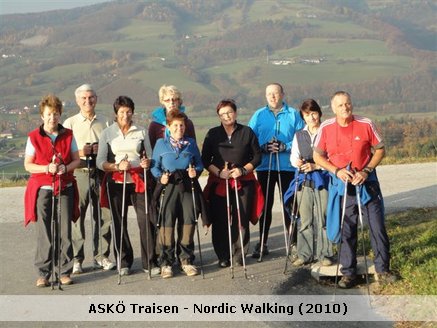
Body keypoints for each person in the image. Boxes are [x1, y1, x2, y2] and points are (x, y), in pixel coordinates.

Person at [313, 91, 397, 288]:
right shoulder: (326, 127)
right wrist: (336, 171)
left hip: (367, 183)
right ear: (333, 108)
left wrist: (367, 171)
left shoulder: (366, 123)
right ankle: (348, 273)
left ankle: (383, 269)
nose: (345, 108)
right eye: (340, 105)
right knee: (346, 230)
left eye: (348, 104)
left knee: (377, 227)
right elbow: (318, 156)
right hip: (342, 184)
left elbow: (380, 150)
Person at [96, 95, 157, 277]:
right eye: (122, 111)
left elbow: (151, 156)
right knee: (118, 221)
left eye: (129, 111)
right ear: (116, 112)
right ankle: (124, 261)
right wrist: (116, 166)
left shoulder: (142, 131)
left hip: (138, 179)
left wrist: (147, 163)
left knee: (145, 221)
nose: (126, 114)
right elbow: (100, 161)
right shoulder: (107, 133)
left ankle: (150, 261)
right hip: (117, 181)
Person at [24, 94, 81, 287]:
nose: (52, 118)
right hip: (43, 189)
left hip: (64, 186)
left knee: (65, 230)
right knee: (44, 231)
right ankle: (43, 273)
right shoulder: (34, 137)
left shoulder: (68, 135)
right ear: (42, 115)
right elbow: (28, 165)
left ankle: (64, 271)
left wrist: (67, 167)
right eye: (49, 114)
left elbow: (76, 160)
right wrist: (45, 168)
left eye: (56, 114)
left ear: (60, 115)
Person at [202, 99, 263, 268]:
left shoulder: (247, 132)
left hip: (243, 181)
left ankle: (239, 254)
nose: (226, 116)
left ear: (235, 113)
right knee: (220, 219)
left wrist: (242, 170)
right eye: (222, 114)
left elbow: (257, 157)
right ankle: (223, 255)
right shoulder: (212, 134)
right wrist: (219, 173)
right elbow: (205, 159)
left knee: (240, 218)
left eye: (229, 112)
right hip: (219, 181)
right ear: (218, 116)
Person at [248, 83, 304, 258]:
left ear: (282, 94)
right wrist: (262, 147)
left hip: (287, 167)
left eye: (276, 93)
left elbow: (302, 138)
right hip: (265, 166)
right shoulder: (258, 115)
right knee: (265, 205)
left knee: (289, 204)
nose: (272, 97)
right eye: (269, 94)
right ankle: (262, 242)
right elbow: (249, 140)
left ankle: (294, 241)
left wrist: (284, 146)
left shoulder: (294, 114)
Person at [63, 84, 115, 274]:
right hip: (79, 173)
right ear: (77, 100)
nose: (88, 101)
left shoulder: (106, 122)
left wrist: (99, 151)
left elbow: (112, 150)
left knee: (104, 215)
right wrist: (81, 152)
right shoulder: (69, 123)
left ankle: (102, 255)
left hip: (100, 173)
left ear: (96, 98)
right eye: (83, 98)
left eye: (91, 97)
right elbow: (64, 152)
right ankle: (77, 259)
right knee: (77, 216)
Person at [151, 111, 207, 279]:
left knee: (188, 221)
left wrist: (195, 172)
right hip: (168, 187)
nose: (179, 128)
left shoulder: (190, 143)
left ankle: (186, 260)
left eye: (182, 125)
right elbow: (154, 166)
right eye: (175, 125)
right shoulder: (161, 144)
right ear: (168, 127)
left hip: (187, 186)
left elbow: (199, 164)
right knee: (167, 223)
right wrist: (160, 176)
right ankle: (166, 262)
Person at [285, 99, 333, 267]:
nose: (311, 117)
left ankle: (325, 254)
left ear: (319, 113)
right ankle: (304, 254)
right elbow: (293, 156)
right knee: (305, 219)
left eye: (314, 113)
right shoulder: (299, 135)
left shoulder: (328, 132)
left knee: (323, 218)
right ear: (303, 117)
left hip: (324, 179)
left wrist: (316, 165)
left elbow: (333, 157)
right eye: (307, 115)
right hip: (304, 180)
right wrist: (297, 162)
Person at [148, 84, 196, 149]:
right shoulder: (155, 125)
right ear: (162, 102)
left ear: (179, 102)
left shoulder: (187, 123)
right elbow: (152, 149)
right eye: (167, 100)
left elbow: (193, 147)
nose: (171, 102)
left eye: (174, 99)